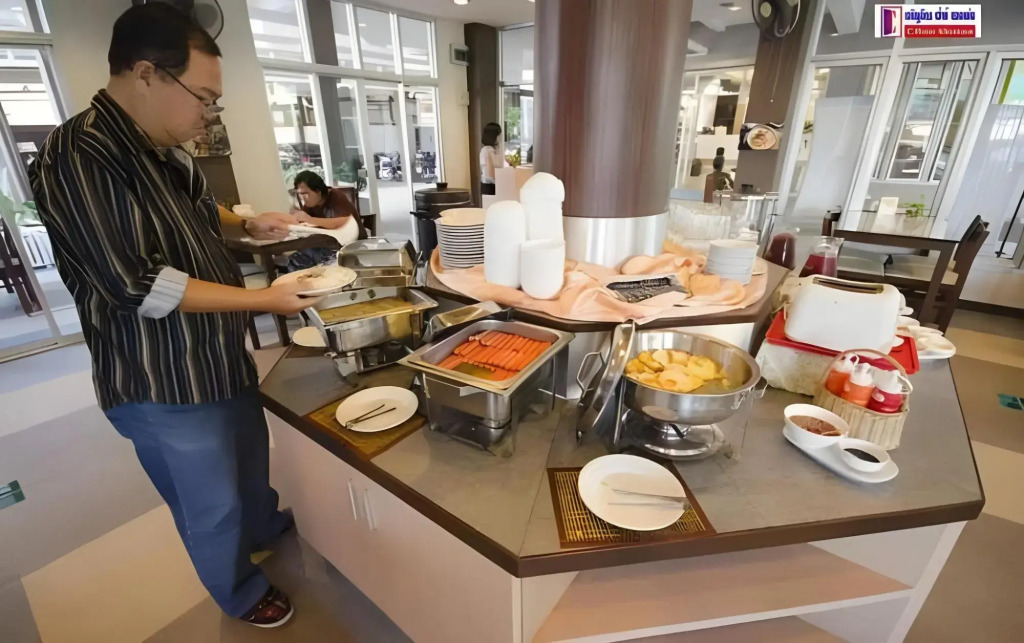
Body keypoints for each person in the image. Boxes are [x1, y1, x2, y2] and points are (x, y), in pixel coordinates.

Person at [29, 5, 308, 628]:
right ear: (147, 74)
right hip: (160, 376)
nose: (208, 113)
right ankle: (239, 591)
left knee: (248, 460)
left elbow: (199, 210)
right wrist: (264, 299)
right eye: (203, 97)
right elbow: (135, 282)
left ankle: (263, 525)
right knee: (209, 502)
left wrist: (249, 222)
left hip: (215, 353)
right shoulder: (79, 154)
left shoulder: (161, 147)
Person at [288, 170, 366, 271]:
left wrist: (310, 219)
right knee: (296, 258)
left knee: (299, 261)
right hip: (327, 245)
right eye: (299, 194)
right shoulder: (310, 204)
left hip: (349, 246)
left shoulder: (336, 197)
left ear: (318, 191)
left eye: (305, 193)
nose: (302, 198)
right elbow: (302, 221)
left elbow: (344, 222)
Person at [479, 121, 505, 196]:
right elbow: (491, 173)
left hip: (487, 184)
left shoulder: (486, 149)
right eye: (499, 134)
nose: (500, 137)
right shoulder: (488, 150)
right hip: (490, 186)